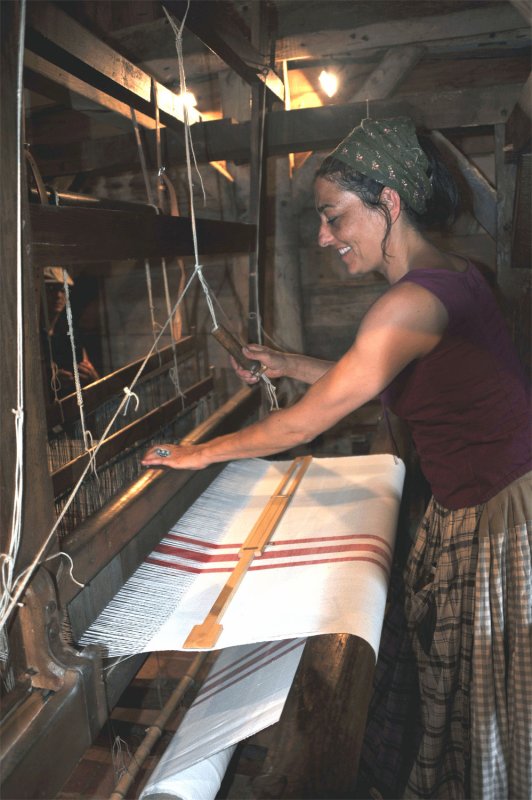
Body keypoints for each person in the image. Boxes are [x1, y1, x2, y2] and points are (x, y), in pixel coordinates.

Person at [142, 117, 531, 799]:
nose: (325, 238)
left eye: (334, 217)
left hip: (500, 519)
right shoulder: (451, 275)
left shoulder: (409, 303)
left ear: (389, 202)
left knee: (492, 707)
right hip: (485, 499)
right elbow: (393, 376)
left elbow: (316, 418)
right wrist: (290, 362)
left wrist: (198, 455)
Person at [41, 266, 99, 397]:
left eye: (63, 289)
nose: (58, 295)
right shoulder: (34, 336)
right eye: (50, 289)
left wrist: (93, 377)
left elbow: (86, 368)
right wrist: (49, 383)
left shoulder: (69, 332)